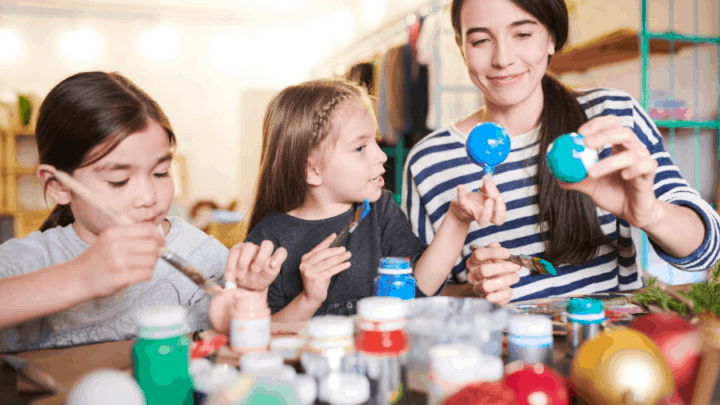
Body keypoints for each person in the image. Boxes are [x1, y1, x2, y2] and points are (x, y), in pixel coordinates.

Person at [402, 0, 720, 305]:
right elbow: (413, 297)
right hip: (500, 342)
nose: (502, 58)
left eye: (522, 34)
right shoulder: (428, 161)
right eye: (481, 40)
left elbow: (708, 251)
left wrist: (651, 215)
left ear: (551, 39)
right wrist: (474, 292)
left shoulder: (611, 119)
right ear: (461, 47)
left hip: (617, 339)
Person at [0, 72, 283, 352]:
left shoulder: (200, 255)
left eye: (161, 172)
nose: (149, 197)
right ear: (59, 186)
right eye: (119, 180)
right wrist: (80, 276)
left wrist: (245, 306)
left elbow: (230, 341)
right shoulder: (31, 260)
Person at [243, 78, 504, 322]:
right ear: (311, 169)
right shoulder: (266, 242)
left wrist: (457, 219)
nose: (381, 156)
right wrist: (308, 300)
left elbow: (419, 286)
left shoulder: (381, 212)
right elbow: (257, 332)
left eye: (375, 141)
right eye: (360, 148)